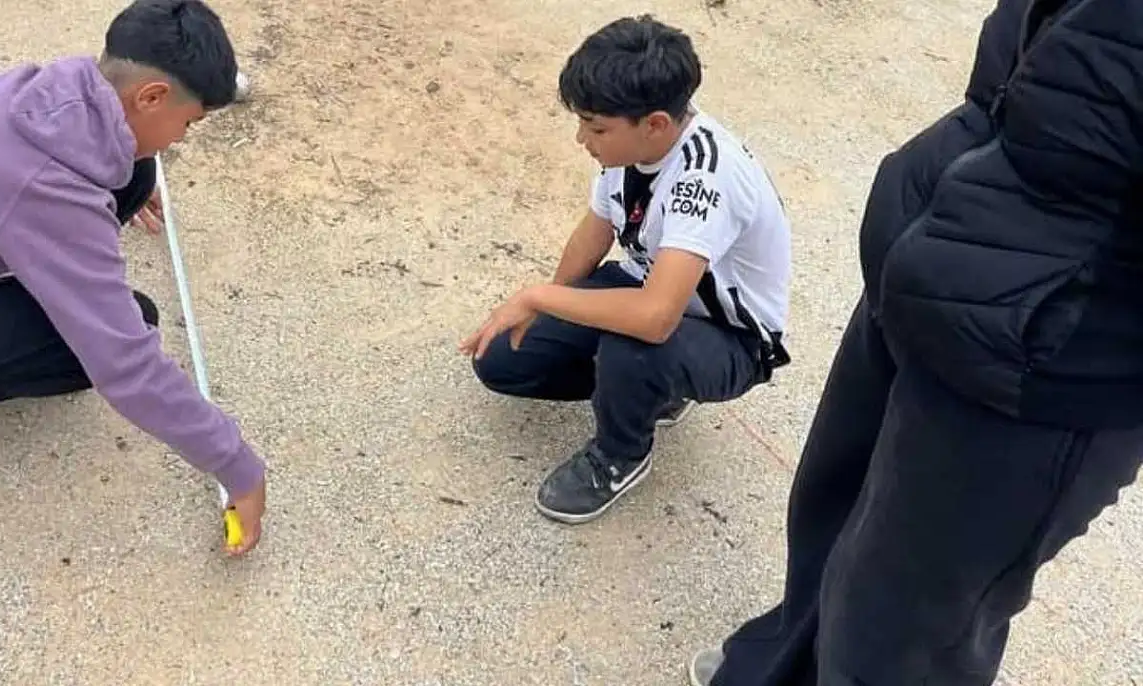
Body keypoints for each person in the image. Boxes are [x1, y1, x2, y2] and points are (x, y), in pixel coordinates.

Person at [686, 0, 1143, 683]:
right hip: (926, 263)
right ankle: (783, 664)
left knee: (899, 633)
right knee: (830, 511)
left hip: (1041, 363)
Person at [0, 0, 267, 557]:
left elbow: (103, 165)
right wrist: (238, 466)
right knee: (95, 343)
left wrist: (116, 193)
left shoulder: (49, 93)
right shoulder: (45, 188)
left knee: (134, 169)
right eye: (187, 123)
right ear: (151, 96)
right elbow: (124, 366)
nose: (182, 138)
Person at [461, 15, 792, 525]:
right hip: (649, 285)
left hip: (729, 335)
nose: (582, 139)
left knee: (634, 347)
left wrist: (536, 297)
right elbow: (594, 233)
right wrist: (550, 306)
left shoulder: (706, 178)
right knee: (505, 359)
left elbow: (655, 318)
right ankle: (649, 390)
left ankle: (620, 454)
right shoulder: (630, 151)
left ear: (655, 123)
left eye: (595, 127)